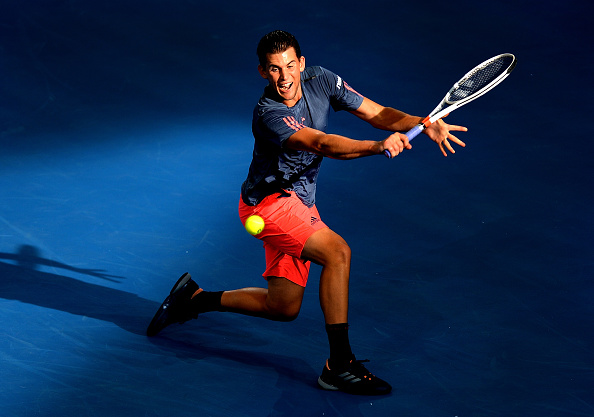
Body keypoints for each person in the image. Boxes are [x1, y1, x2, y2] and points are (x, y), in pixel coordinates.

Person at [147, 30, 467, 395]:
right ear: (262, 73)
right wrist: (378, 147)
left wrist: (422, 122)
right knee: (338, 253)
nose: (283, 78)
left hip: (299, 203)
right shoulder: (268, 113)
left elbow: (377, 112)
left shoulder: (321, 79)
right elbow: (321, 143)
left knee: (283, 307)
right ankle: (339, 365)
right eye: (273, 70)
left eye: (288, 66)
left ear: (300, 64)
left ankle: (194, 299)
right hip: (268, 206)